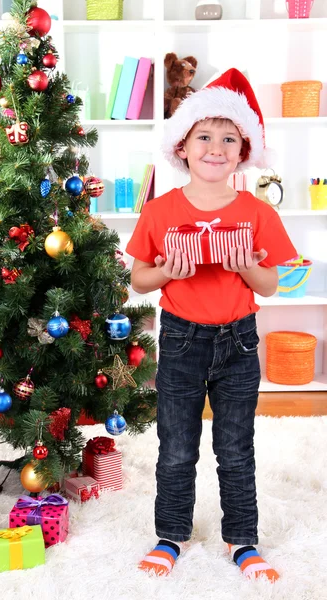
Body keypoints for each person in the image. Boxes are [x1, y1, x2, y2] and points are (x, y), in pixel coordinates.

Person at [126, 68, 297, 582]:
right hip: (180, 338)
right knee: (176, 447)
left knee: (235, 447)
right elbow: (138, 279)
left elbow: (269, 286)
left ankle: (242, 538)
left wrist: (246, 264)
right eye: (204, 136)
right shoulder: (160, 210)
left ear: (243, 152)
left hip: (240, 341)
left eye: (229, 139)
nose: (216, 147)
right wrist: (166, 271)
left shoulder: (257, 212)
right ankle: (170, 535)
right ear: (183, 146)